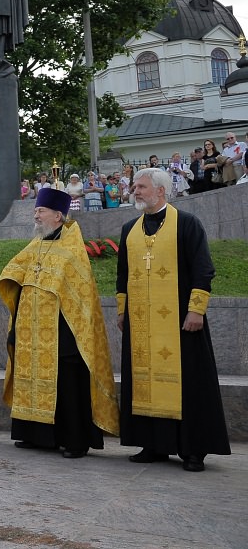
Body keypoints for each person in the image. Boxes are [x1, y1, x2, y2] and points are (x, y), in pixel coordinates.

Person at [116, 168, 230, 472]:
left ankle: (193, 450)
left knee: (189, 383)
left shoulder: (188, 224)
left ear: (161, 191)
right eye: (134, 187)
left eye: (140, 187)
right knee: (144, 381)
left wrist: (196, 309)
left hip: (180, 321)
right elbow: (122, 275)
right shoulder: (129, 229)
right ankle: (153, 444)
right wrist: (122, 310)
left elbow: (203, 269)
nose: (135, 191)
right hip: (141, 323)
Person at [0, 187, 119, 458]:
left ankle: (74, 440)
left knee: (67, 384)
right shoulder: (36, 244)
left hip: (63, 333)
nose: (36, 215)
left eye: (41, 211)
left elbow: (80, 296)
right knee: (31, 378)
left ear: (59, 216)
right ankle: (36, 435)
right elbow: (14, 271)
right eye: (36, 210)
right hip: (32, 329)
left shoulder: (72, 250)